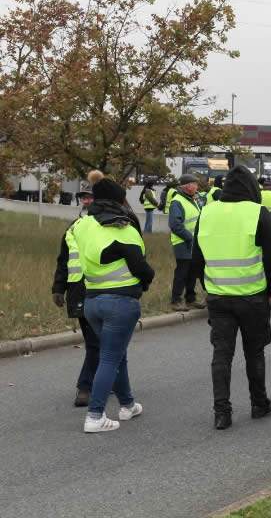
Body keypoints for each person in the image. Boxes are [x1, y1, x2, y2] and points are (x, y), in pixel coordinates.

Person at [192, 165, 271, 430]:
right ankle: (259, 403)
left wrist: (208, 286)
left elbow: (197, 258)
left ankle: (222, 412)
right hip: (253, 296)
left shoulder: (206, 212)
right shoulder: (258, 213)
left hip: (218, 297)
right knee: (254, 352)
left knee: (221, 355)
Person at [71, 171, 155, 433]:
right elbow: (143, 269)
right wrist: (148, 279)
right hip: (120, 303)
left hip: (92, 301)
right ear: (119, 202)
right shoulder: (124, 229)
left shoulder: (81, 226)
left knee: (117, 355)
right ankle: (95, 416)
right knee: (109, 357)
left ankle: (128, 405)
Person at [51, 183, 98, 407]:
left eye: (90, 198)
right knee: (95, 342)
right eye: (84, 198)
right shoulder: (74, 227)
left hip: (104, 291)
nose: (86, 202)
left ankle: (104, 381)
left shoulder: (110, 226)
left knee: (102, 343)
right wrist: (58, 288)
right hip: (80, 291)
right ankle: (85, 387)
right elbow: (64, 260)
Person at [168, 174, 205, 312]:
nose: (197, 187)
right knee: (182, 272)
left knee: (192, 272)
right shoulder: (177, 201)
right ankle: (176, 300)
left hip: (194, 243)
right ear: (187, 186)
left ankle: (190, 299)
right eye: (194, 184)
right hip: (183, 242)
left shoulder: (192, 199)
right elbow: (175, 225)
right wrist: (190, 238)